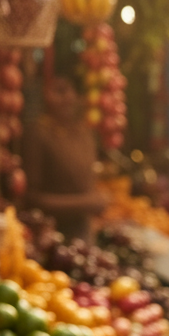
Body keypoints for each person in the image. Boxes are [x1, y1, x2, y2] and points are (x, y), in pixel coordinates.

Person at [24, 76, 107, 241]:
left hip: (83, 232)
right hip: (50, 235)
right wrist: (86, 203)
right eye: (59, 91)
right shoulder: (38, 134)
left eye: (70, 91)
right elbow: (31, 199)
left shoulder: (84, 133)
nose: (67, 97)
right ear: (44, 96)